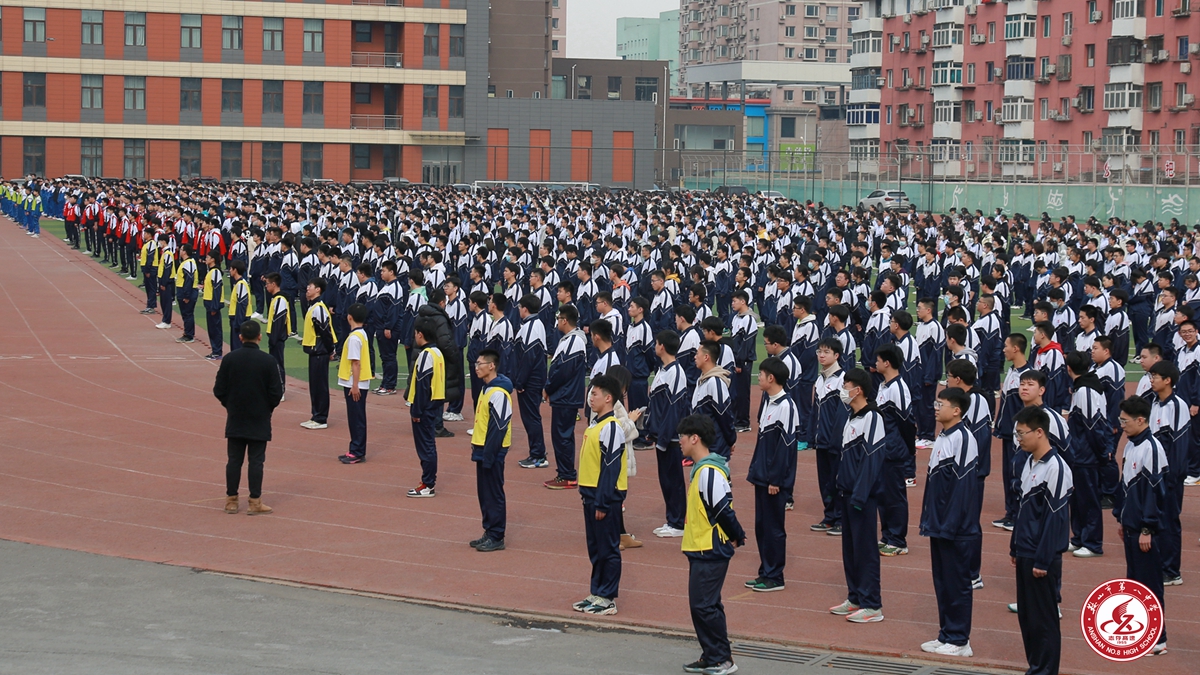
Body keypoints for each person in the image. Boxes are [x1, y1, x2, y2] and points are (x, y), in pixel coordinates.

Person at [678, 414, 747, 675]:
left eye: (682, 437)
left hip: (711, 548)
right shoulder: (702, 470)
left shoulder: (709, 472)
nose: (680, 442)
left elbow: (722, 510)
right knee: (706, 604)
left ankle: (721, 659)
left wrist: (737, 534)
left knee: (704, 605)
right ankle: (713, 655)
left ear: (695, 438)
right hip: (700, 546)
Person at [918, 387, 981, 658]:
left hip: (956, 528)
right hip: (940, 523)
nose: (935, 407)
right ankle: (946, 633)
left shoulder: (964, 439)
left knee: (956, 584)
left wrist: (950, 524)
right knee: (942, 582)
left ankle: (959, 639)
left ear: (956, 410)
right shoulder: (943, 436)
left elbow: (963, 487)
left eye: (940, 403)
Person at [1011, 406, 1073, 675]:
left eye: (1022, 433)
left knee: (1043, 620)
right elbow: (1024, 510)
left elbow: (1055, 519)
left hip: (1040, 557)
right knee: (1028, 618)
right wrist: (1015, 546)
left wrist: (1043, 559)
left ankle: (1046, 671)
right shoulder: (1030, 462)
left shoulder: (1057, 468)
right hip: (1025, 550)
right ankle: (1035, 667)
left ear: (1039, 432)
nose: (1019, 439)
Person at [1114, 396, 1169, 656]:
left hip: (1146, 531)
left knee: (1149, 584)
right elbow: (1126, 485)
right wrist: (1122, 517)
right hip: (1132, 525)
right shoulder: (1131, 446)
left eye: (1125, 421)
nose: (1121, 425)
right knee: (1134, 582)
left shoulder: (1152, 448)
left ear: (1141, 420)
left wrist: (1148, 528)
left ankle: (1158, 639)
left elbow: (1156, 492)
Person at [830, 367, 887, 623]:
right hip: (847, 492)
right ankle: (855, 597)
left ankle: (872, 603)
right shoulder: (850, 417)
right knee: (850, 550)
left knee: (865, 550)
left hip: (861, 497)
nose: (843, 390)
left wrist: (860, 496)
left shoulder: (873, 418)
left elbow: (872, 460)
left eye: (846, 385)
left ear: (858, 389)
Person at [212, 321, 283, 516]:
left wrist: (230, 405)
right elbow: (277, 392)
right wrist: (266, 408)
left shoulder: (230, 359)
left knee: (234, 460)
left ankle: (231, 501)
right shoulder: (268, 361)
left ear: (240, 337)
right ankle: (254, 501)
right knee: (256, 461)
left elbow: (219, 390)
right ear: (259, 337)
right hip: (259, 417)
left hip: (236, 416)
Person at [572, 374, 628, 616]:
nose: (590, 397)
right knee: (595, 548)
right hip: (590, 494)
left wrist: (603, 502)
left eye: (594, 394)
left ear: (608, 398)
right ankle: (596, 591)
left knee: (608, 548)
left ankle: (608, 596)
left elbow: (611, 467)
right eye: (590, 393)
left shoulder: (611, 428)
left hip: (604, 497)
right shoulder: (595, 424)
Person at [744, 357, 800, 593]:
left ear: (772, 378)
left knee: (774, 528)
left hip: (773, 481)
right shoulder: (769, 401)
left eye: (763, 374)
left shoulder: (786, 406)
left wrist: (776, 480)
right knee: (761, 526)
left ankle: (775, 575)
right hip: (762, 475)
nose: (760, 377)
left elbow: (785, 448)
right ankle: (765, 571)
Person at [1064, 350, 1113, 559]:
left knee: (1088, 499)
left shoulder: (1085, 390)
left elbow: (1093, 425)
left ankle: (1093, 542)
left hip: (1086, 454)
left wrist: (1102, 453)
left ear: (1069, 368)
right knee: (1077, 499)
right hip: (1080, 452)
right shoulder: (1083, 386)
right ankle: (1079, 537)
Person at [648, 330, 691, 538]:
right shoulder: (663, 370)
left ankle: (677, 522)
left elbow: (673, 410)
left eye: (656, 343)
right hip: (661, 436)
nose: (654, 346)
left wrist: (664, 438)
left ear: (662, 346)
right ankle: (671, 519)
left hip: (670, 438)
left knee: (673, 480)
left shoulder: (676, 373)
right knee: (665, 479)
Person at [470, 348, 513, 553]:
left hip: (492, 451)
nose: (476, 367)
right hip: (482, 449)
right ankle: (489, 530)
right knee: (484, 493)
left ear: (492, 366)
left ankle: (497, 535)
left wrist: (489, 454)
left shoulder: (499, 393)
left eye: (480, 364)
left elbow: (499, 427)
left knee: (493, 493)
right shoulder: (487, 389)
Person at [544, 304, 587, 489]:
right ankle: (564, 472)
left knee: (562, 436)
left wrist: (548, 388)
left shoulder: (574, 341)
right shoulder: (569, 339)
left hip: (566, 395)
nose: (557, 322)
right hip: (565, 395)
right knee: (561, 435)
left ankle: (567, 474)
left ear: (565, 320)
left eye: (559, 319)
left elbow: (563, 371)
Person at [407, 320, 446, 496]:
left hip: (425, 407)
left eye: (416, 333)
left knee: (426, 447)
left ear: (421, 334)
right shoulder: (438, 353)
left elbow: (422, 384)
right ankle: (428, 481)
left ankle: (428, 483)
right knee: (429, 445)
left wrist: (416, 411)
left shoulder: (425, 355)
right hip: (434, 404)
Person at [514, 294, 550, 470]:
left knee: (531, 417)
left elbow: (528, 357)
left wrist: (520, 382)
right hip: (534, 379)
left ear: (525, 309)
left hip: (531, 381)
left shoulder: (531, 327)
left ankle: (538, 454)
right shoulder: (536, 324)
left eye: (520, 307)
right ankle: (537, 451)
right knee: (531, 417)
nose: (519, 310)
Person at [337, 303, 372, 464]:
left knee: (356, 417)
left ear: (349, 317)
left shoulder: (354, 338)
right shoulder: (362, 334)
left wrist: (355, 385)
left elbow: (355, 363)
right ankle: (356, 448)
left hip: (354, 383)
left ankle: (357, 451)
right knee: (357, 417)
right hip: (357, 382)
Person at [301, 277, 336, 430]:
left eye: (310, 286)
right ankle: (316, 415)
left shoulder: (319, 308)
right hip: (315, 352)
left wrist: (330, 350)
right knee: (315, 385)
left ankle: (321, 418)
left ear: (318, 290)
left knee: (320, 386)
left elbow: (325, 332)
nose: (307, 288)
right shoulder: (313, 307)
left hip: (320, 352)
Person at [263, 273, 290, 400]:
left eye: (267, 283)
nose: (266, 286)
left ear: (274, 284)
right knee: (274, 365)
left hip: (277, 339)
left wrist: (274, 339)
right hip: (274, 337)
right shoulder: (276, 299)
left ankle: (281, 390)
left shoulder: (280, 300)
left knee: (278, 364)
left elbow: (279, 321)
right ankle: (274, 389)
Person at [201, 250, 225, 360]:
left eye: (208, 257)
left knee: (215, 329)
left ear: (213, 259)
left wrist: (215, 306)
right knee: (212, 329)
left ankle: (217, 351)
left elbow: (217, 290)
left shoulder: (215, 272)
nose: (206, 259)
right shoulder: (211, 272)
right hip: (209, 303)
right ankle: (215, 350)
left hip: (212, 304)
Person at [175, 245, 198, 343]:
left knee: (188, 313)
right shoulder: (186, 263)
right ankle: (187, 332)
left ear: (184, 252)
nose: (179, 251)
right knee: (185, 314)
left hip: (187, 291)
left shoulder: (188, 263)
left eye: (181, 249)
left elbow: (189, 280)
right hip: (183, 290)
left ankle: (189, 335)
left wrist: (187, 295)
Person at [227, 260, 251, 352]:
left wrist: (238, 323)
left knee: (238, 347)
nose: (230, 270)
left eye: (231, 269)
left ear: (235, 270)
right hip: (237, 319)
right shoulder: (239, 284)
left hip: (240, 320)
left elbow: (242, 304)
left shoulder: (241, 285)